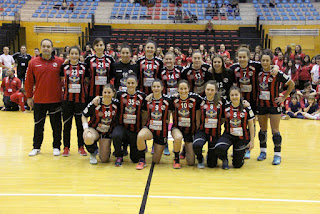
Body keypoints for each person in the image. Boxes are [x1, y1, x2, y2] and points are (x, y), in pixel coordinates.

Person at [26, 39, 64, 156]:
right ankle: (36, 147)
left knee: (56, 125)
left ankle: (56, 146)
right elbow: (29, 81)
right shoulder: (33, 62)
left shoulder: (60, 62)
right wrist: (28, 97)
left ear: (52, 48)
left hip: (55, 99)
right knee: (38, 125)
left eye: (48, 46)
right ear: (41, 48)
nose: (46, 48)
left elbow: (64, 80)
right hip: (39, 100)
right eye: (44, 46)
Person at [256, 50, 294, 165]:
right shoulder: (258, 71)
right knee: (262, 130)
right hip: (261, 104)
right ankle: (263, 152)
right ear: (260, 61)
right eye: (263, 60)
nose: (265, 62)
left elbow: (291, 84)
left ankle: (277, 155)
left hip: (274, 105)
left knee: (275, 131)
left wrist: (283, 98)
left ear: (271, 61)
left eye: (267, 60)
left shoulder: (276, 73)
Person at [215, 86, 255, 169]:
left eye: (236, 95)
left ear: (240, 95)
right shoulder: (226, 107)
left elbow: (251, 125)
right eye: (232, 95)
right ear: (229, 96)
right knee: (219, 147)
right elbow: (221, 120)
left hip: (242, 137)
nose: (234, 97)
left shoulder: (246, 107)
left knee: (237, 165)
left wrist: (252, 141)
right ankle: (224, 159)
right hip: (229, 135)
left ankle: (240, 153)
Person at [136, 80, 173, 169]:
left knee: (155, 161)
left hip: (162, 132)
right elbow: (144, 116)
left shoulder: (168, 100)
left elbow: (170, 114)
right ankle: (142, 160)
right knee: (140, 136)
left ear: (162, 88)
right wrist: (144, 126)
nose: (156, 88)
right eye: (154, 87)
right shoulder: (147, 100)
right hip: (150, 128)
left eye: (158, 86)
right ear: (151, 88)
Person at [111, 75, 147, 166]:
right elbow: (107, 96)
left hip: (135, 129)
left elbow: (145, 112)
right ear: (125, 84)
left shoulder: (142, 96)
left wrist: (143, 128)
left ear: (136, 84)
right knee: (116, 135)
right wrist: (97, 98)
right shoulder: (120, 95)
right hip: (122, 127)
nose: (130, 85)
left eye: (132, 83)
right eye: (128, 83)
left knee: (135, 159)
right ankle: (119, 155)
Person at [60, 46, 89, 157]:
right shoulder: (64, 67)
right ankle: (66, 147)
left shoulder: (84, 67)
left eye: (76, 53)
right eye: (72, 53)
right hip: (67, 101)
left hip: (80, 101)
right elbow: (61, 79)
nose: (74, 55)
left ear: (79, 55)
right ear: (69, 54)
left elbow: (86, 80)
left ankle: (81, 147)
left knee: (79, 125)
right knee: (67, 125)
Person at [82, 84, 120, 164]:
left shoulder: (116, 103)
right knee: (88, 137)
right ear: (102, 93)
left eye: (109, 92)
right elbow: (84, 115)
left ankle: (104, 148)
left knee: (104, 159)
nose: (107, 94)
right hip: (95, 129)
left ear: (113, 93)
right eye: (105, 92)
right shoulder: (95, 103)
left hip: (107, 132)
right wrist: (85, 128)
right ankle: (93, 152)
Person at [171, 80, 202, 167]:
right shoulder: (174, 99)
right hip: (177, 128)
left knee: (191, 162)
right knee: (178, 137)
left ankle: (185, 149)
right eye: (181, 89)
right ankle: (176, 159)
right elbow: (161, 97)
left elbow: (207, 99)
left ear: (189, 89)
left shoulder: (195, 98)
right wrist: (150, 95)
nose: (183, 91)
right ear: (177, 89)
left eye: (185, 88)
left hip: (189, 131)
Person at [193, 81, 223, 168]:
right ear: (204, 90)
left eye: (212, 90)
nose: (210, 92)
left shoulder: (222, 102)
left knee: (212, 164)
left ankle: (210, 155)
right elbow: (197, 117)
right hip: (202, 131)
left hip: (215, 133)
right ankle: (200, 158)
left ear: (216, 91)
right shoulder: (200, 101)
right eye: (208, 89)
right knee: (197, 145)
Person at [85, 38, 115, 102]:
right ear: (94, 47)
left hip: (106, 92)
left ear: (104, 46)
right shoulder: (89, 59)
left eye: (101, 45)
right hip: (92, 92)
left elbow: (112, 75)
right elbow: (86, 76)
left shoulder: (110, 59)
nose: (99, 47)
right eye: (97, 45)